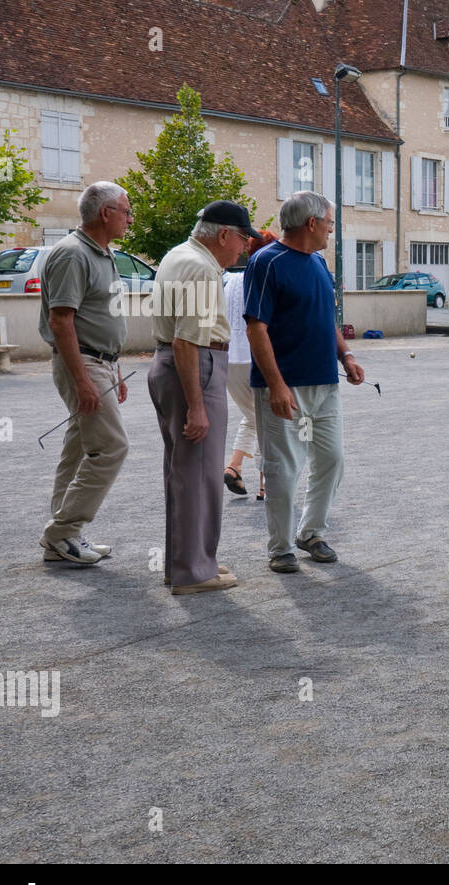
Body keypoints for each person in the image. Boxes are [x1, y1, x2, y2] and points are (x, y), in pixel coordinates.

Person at [243, 191, 365, 574]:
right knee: (282, 468)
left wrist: (345, 355)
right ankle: (279, 548)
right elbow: (256, 328)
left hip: (324, 383)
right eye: (329, 222)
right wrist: (275, 385)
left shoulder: (318, 263)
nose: (332, 229)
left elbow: (326, 318)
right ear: (311, 223)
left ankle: (310, 532)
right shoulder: (266, 262)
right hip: (284, 385)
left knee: (331, 459)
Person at [148, 201, 261, 594]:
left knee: (184, 472)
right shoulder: (200, 267)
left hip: (176, 364)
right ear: (225, 234)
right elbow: (185, 341)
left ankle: (188, 560)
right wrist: (197, 406)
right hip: (193, 366)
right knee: (198, 473)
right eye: (244, 238)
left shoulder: (179, 255)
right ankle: (194, 571)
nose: (245, 248)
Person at [38, 182, 133, 565]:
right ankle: (61, 532)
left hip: (101, 363)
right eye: (126, 211)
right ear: (105, 213)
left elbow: (98, 315)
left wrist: (115, 365)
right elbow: (61, 321)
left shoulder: (102, 253)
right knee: (111, 447)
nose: (130, 218)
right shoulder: (72, 255)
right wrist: (82, 381)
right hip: (83, 363)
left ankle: (65, 535)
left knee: (79, 447)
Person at [224, 229, 279, 500]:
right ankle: (265, 483)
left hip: (228, 359)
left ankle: (233, 467)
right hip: (252, 357)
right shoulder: (266, 277)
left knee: (253, 416)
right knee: (266, 420)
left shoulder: (231, 279)